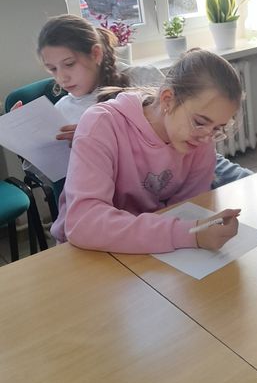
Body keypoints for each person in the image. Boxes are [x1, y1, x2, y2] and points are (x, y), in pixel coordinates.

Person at [16, 14, 250, 194]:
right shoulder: (62, 112)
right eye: (52, 69)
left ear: (95, 54)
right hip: (127, 196)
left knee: (251, 184)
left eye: (69, 64)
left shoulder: (143, 77)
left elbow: (191, 141)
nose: (61, 77)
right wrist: (28, 142)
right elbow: (56, 180)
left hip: (185, 172)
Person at [51, 47, 245, 254]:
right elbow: (84, 223)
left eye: (217, 129)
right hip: (83, 253)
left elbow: (186, 211)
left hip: (150, 247)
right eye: (200, 122)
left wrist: (197, 231)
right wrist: (190, 234)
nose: (206, 138)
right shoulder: (101, 124)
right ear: (167, 99)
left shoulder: (199, 139)